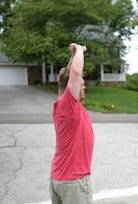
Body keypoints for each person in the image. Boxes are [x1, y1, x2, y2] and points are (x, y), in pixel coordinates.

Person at [49, 43, 94, 204]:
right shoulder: (69, 107)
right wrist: (81, 50)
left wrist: (73, 54)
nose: (84, 88)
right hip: (73, 182)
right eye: (82, 85)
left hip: (59, 178)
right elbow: (74, 73)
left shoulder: (61, 104)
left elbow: (69, 75)